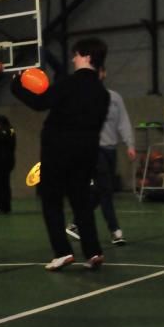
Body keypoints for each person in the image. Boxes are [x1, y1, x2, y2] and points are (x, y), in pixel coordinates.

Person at [11, 38, 110, 270]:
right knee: (81, 202)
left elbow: (39, 103)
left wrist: (16, 86)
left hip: (58, 150)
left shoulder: (68, 83)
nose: (73, 59)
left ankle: (63, 252)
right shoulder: (103, 93)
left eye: (75, 55)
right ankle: (93, 251)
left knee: (51, 200)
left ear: (86, 56)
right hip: (87, 152)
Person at [65, 68, 137, 245]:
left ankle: (75, 223)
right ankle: (115, 231)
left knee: (99, 191)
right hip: (93, 149)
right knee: (106, 190)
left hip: (111, 149)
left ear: (104, 74)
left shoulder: (114, 98)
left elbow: (123, 122)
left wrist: (130, 144)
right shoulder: (81, 98)